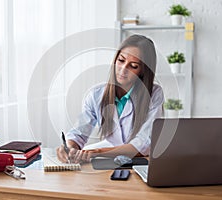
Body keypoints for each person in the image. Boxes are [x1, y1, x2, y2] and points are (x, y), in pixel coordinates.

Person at [56, 34, 164, 163]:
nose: (123, 69)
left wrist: (98, 152)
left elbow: (144, 143)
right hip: (108, 157)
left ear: (143, 70)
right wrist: (70, 147)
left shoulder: (154, 94)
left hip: (141, 160)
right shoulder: (96, 95)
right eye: (121, 60)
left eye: (133, 66)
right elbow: (79, 132)